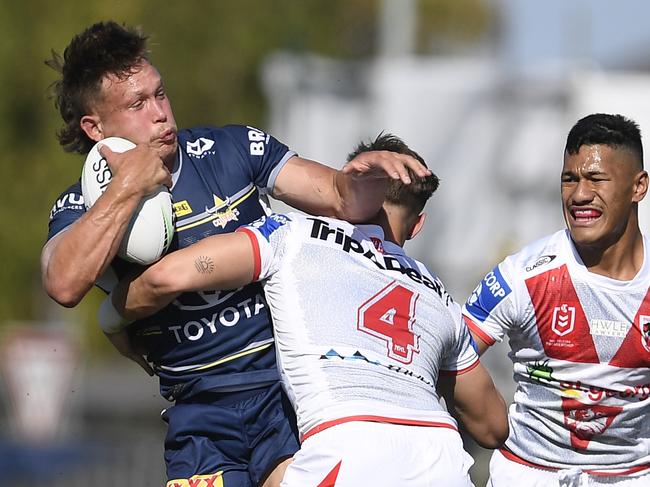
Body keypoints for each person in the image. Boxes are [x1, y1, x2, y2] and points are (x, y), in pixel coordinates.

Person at [40, 21, 430, 487]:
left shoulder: (228, 149)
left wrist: (366, 178)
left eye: (160, 94)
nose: (160, 113)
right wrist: (127, 186)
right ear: (95, 126)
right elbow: (63, 283)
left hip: (284, 397)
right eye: (137, 104)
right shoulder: (81, 207)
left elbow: (340, 196)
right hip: (200, 418)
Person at [101, 133, 508, 486]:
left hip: (347, 450)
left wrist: (112, 321)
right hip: (440, 460)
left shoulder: (292, 234)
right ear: (417, 226)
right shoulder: (439, 297)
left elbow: (165, 279)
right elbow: (492, 426)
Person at [462, 113, 650, 486]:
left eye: (596, 179)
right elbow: (446, 351)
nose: (579, 194)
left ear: (637, 186)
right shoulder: (523, 275)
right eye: (569, 179)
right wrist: (485, 419)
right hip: (529, 474)